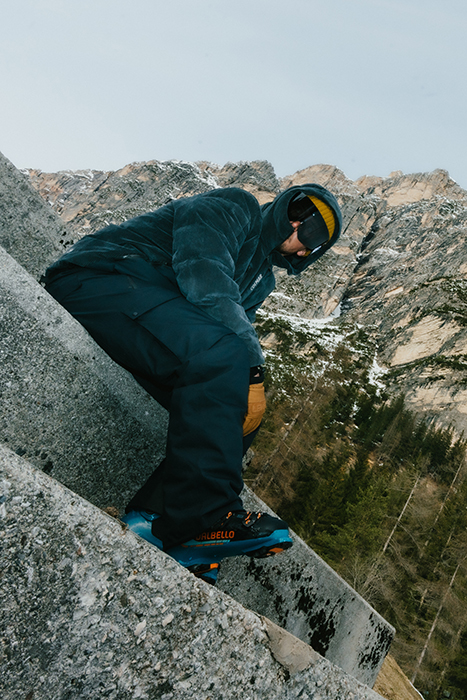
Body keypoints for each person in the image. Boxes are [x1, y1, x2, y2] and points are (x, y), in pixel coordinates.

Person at [43, 182, 342, 584]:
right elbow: (203, 274)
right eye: (300, 209)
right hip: (104, 277)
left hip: (150, 320)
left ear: (309, 253)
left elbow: (224, 338)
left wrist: (246, 381)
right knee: (231, 358)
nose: (299, 225)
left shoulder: (262, 281)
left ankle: (163, 524)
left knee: (237, 399)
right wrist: (252, 368)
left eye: (314, 231)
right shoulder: (236, 207)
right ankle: (207, 517)